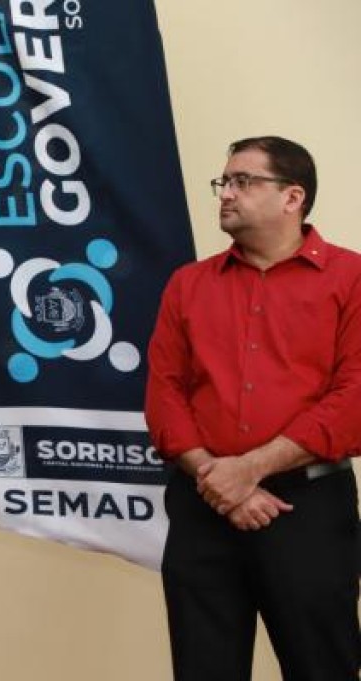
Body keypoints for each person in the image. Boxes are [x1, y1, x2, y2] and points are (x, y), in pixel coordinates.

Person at [145, 136, 361, 680]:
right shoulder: (188, 285)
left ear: (293, 197)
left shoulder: (352, 279)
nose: (226, 194)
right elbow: (164, 393)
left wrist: (249, 469)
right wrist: (219, 478)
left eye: (243, 181)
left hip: (308, 509)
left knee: (323, 668)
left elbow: (354, 397)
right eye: (224, 182)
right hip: (203, 505)